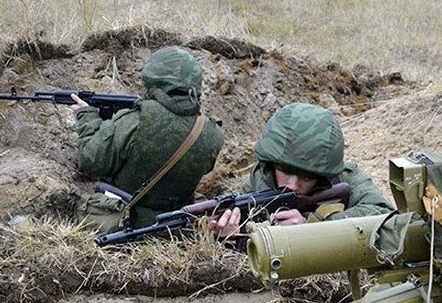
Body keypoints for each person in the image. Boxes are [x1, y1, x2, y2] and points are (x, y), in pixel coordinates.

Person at [71, 46, 224, 230]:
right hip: (175, 230)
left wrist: (87, 117)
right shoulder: (211, 132)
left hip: (123, 226)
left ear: (153, 79)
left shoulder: (135, 120)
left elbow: (90, 160)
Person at [211, 102, 392, 236]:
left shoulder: (344, 178)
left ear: (322, 175)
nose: (292, 186)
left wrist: (312, 227)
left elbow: (385, 215)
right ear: (271, 163)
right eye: (287, 172)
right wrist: (230, 238)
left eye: (306, 178)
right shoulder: (254, 187)